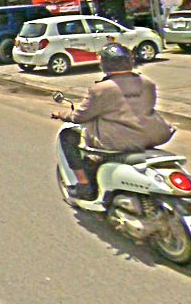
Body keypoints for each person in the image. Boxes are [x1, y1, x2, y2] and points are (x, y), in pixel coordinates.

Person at [52, 43, 174, 198]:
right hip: (153, 136)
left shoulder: (100, 89)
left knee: (68, 137)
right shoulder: (147, 83)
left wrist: (61, 114)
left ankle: (84, 185)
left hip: (118, 141)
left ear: (104, 64)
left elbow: (79, 117)